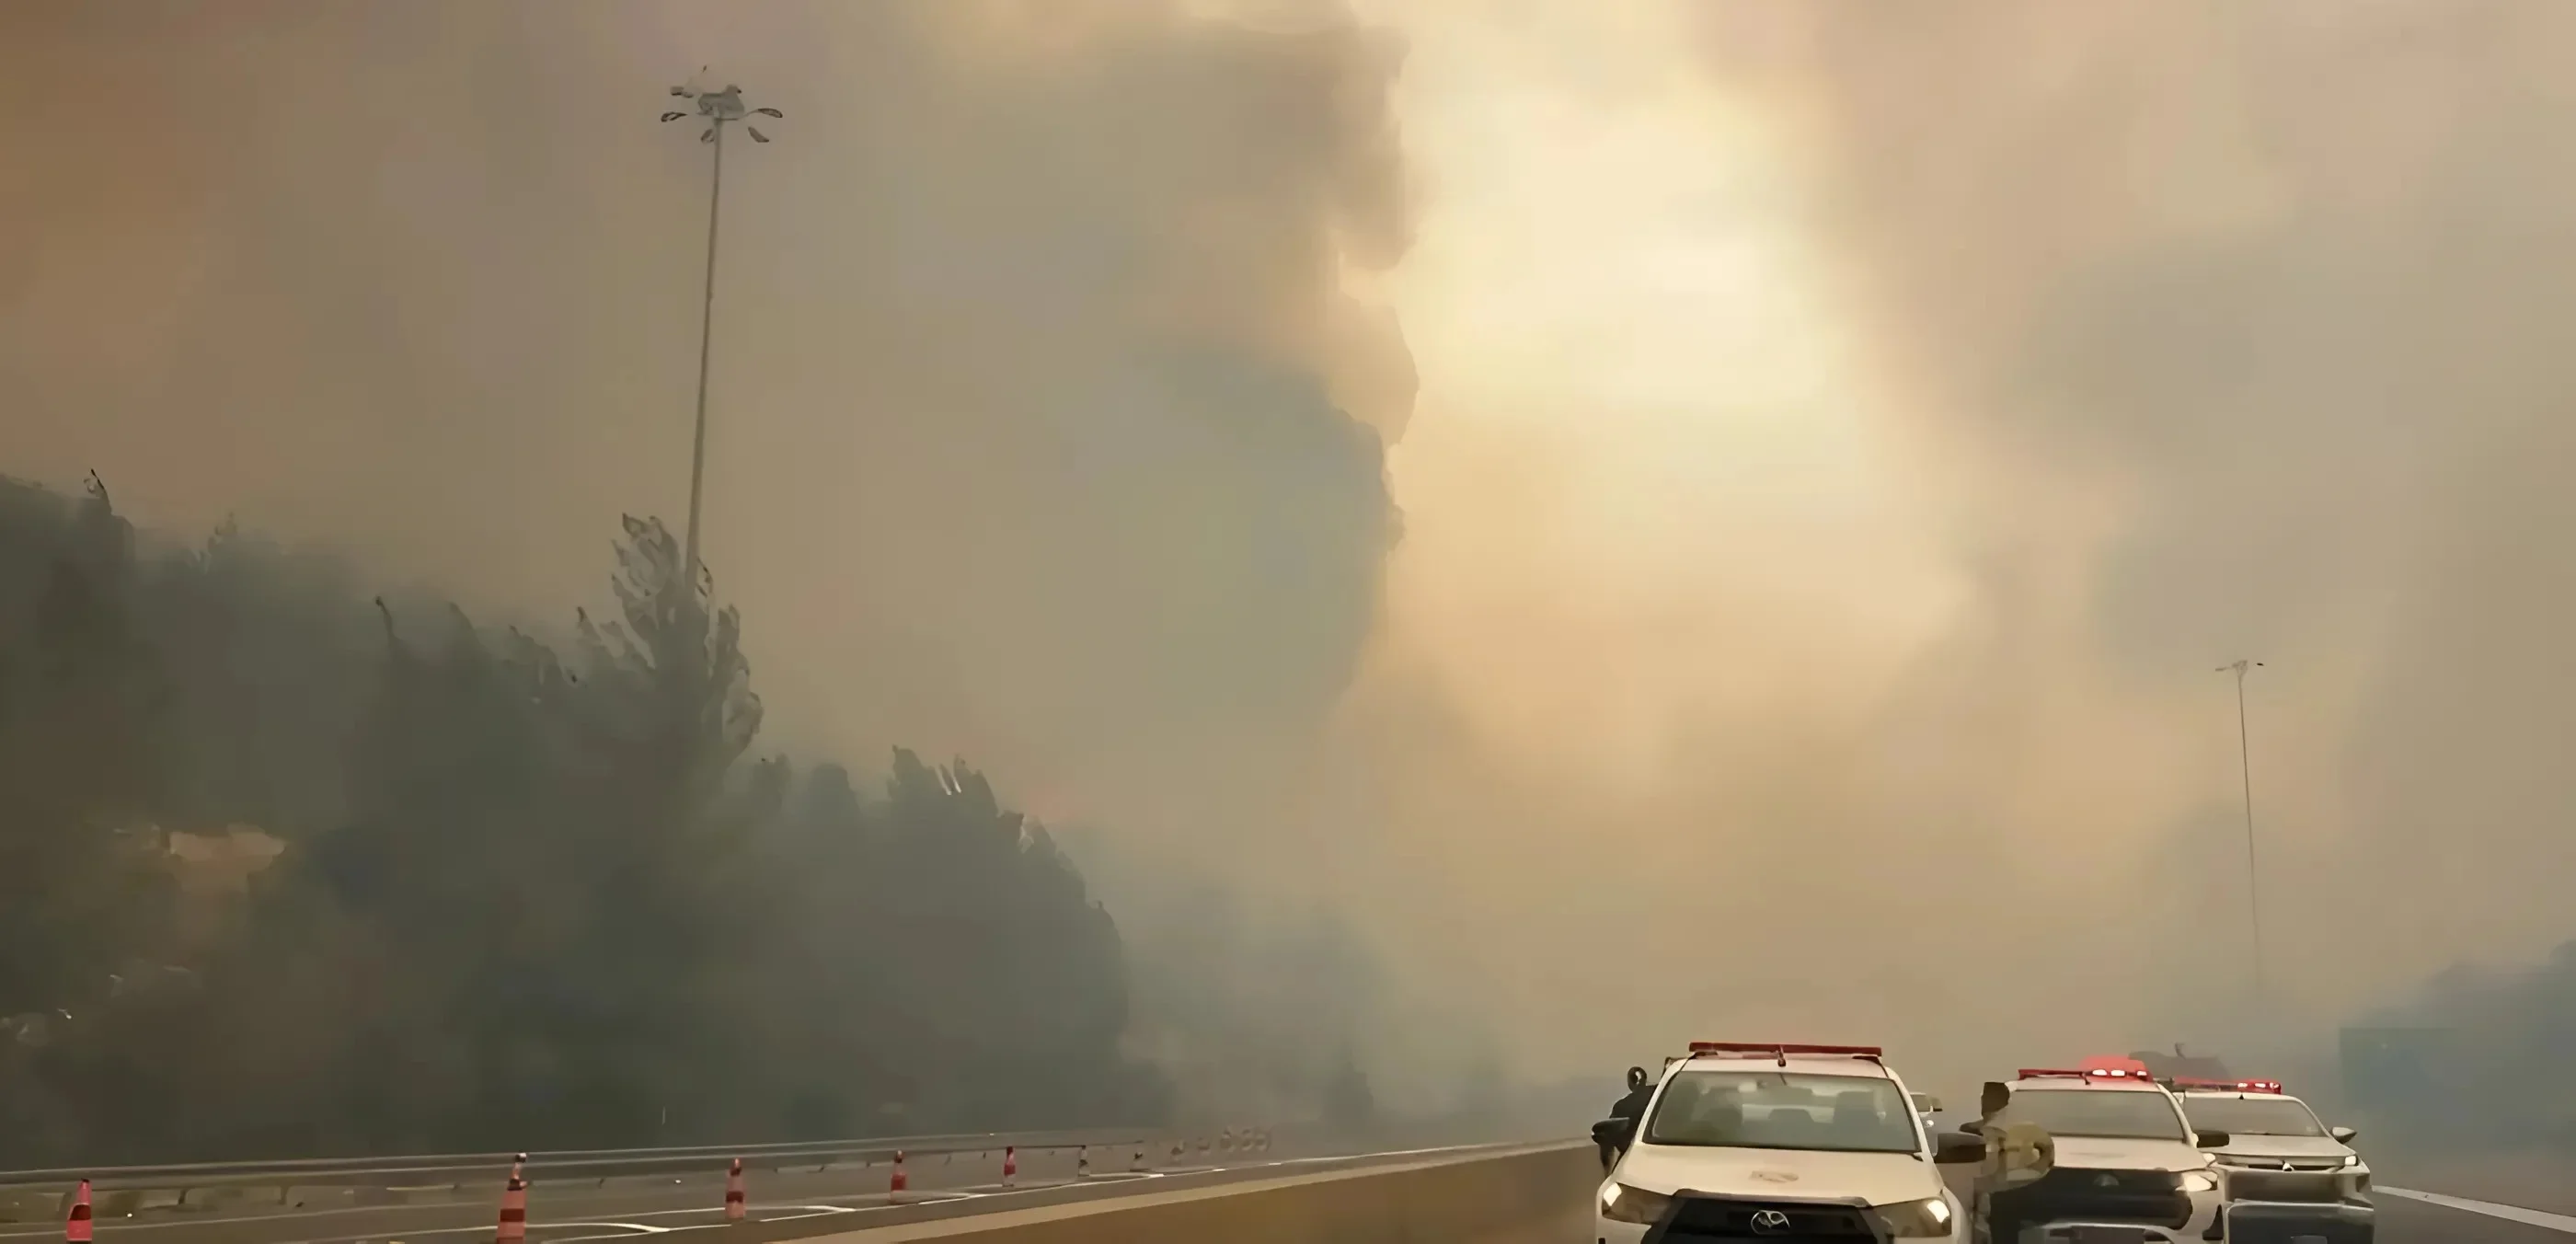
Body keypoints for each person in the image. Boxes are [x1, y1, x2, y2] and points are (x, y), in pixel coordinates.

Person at [1596, 1065, 1657, 1170]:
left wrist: (1607, 1169)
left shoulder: (1621, 1107)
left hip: (1633, 1160)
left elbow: (1607, 1140)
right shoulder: (1663, 1093)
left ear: (1630, 1083)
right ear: (1645, 1079)